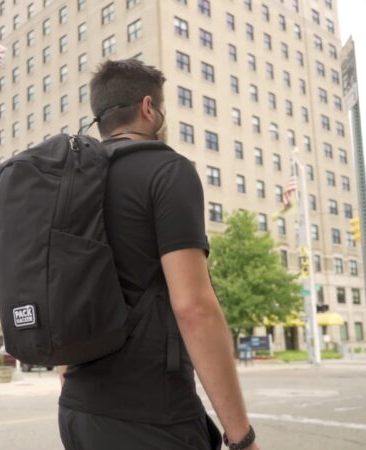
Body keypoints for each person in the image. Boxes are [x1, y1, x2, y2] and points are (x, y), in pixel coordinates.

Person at [57, 59, 259, 450]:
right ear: (149, 108)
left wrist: (70, 383)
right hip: (152, 415)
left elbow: (64, 288)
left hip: (78, 410)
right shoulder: (168, 170)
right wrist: (241, 438)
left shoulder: (72, 181)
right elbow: (194, 308)